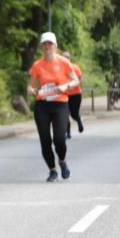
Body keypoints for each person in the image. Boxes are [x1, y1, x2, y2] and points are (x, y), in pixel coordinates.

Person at [27, 32, 80, 182]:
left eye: (50, 44)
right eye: (44, 44)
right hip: (42, 105)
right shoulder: (37, 65)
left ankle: (62, 161)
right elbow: (30, 86)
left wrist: (66, 86)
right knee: (45, 140)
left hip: (60, 104)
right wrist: (31, 90)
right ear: (41, 47)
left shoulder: (64, 62)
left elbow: (75, 80)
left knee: (59, 139)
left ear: (55, 46)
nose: (47, 47)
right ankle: (52, 170)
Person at [62, 50, 84, 139]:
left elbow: (81, 79)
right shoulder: (60, 69)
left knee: (74, 114)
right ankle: (67, 133)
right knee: (65, 114)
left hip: (76, 94)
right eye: (64, 57)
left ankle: (78, 121)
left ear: (70, 58)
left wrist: (76, 84)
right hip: (65, 95)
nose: (65, 59)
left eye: (67, 57)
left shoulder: (75, 67)